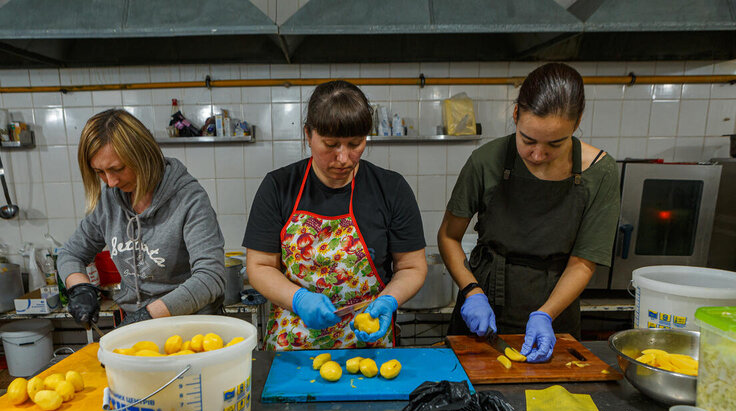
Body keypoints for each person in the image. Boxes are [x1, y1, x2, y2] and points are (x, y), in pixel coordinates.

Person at [438, 63, 620, 362]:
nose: (537, 155)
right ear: (515, 116)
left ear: (577, 124)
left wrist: (546, 315)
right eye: (528, 140)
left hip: (556, 308)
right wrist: (472, 291)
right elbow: (448, 235)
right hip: (486, 300)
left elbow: (583, 262)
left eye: (555, 144)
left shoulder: (600, 173)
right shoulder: (486, 161)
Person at [243, 80, 427, 350]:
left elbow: (411, 267)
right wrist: (298, 299)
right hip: (293, 346)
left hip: (368, 347)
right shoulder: (278, 187)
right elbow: (259, 266)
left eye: (355, 143)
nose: (343, 158)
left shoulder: (391, 189)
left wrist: (390, 299)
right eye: (331, 144)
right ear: (308, 134)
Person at [58, 109, 225, 328]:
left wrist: (148, 315)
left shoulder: (189, 199)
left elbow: (210, 278)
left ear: (143, 154)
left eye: (117, 169)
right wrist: (79, 287)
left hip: (191, 328)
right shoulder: (109, 200)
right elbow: (70, 253)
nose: (110, 182)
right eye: (99, 172)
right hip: (135, 323)